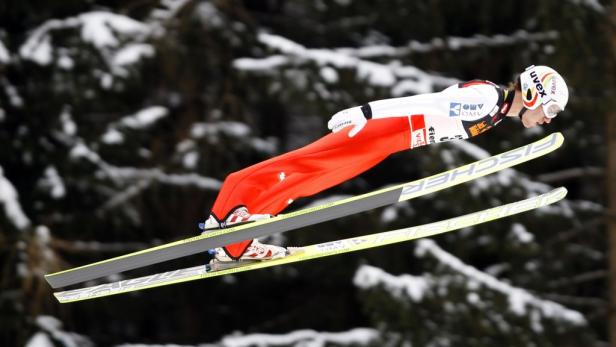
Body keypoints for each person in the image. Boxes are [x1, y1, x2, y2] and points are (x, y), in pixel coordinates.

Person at [199, 65, 569, 262]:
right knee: (305, 165)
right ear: (534, 91)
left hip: (389, 143)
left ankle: (238, 238)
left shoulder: (498, 111)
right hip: (381, 129)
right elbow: (425, 103)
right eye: (550, 108)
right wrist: (366, 112)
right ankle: (231, 208)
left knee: (310, 181)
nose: (548, 118)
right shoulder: (487, 99)